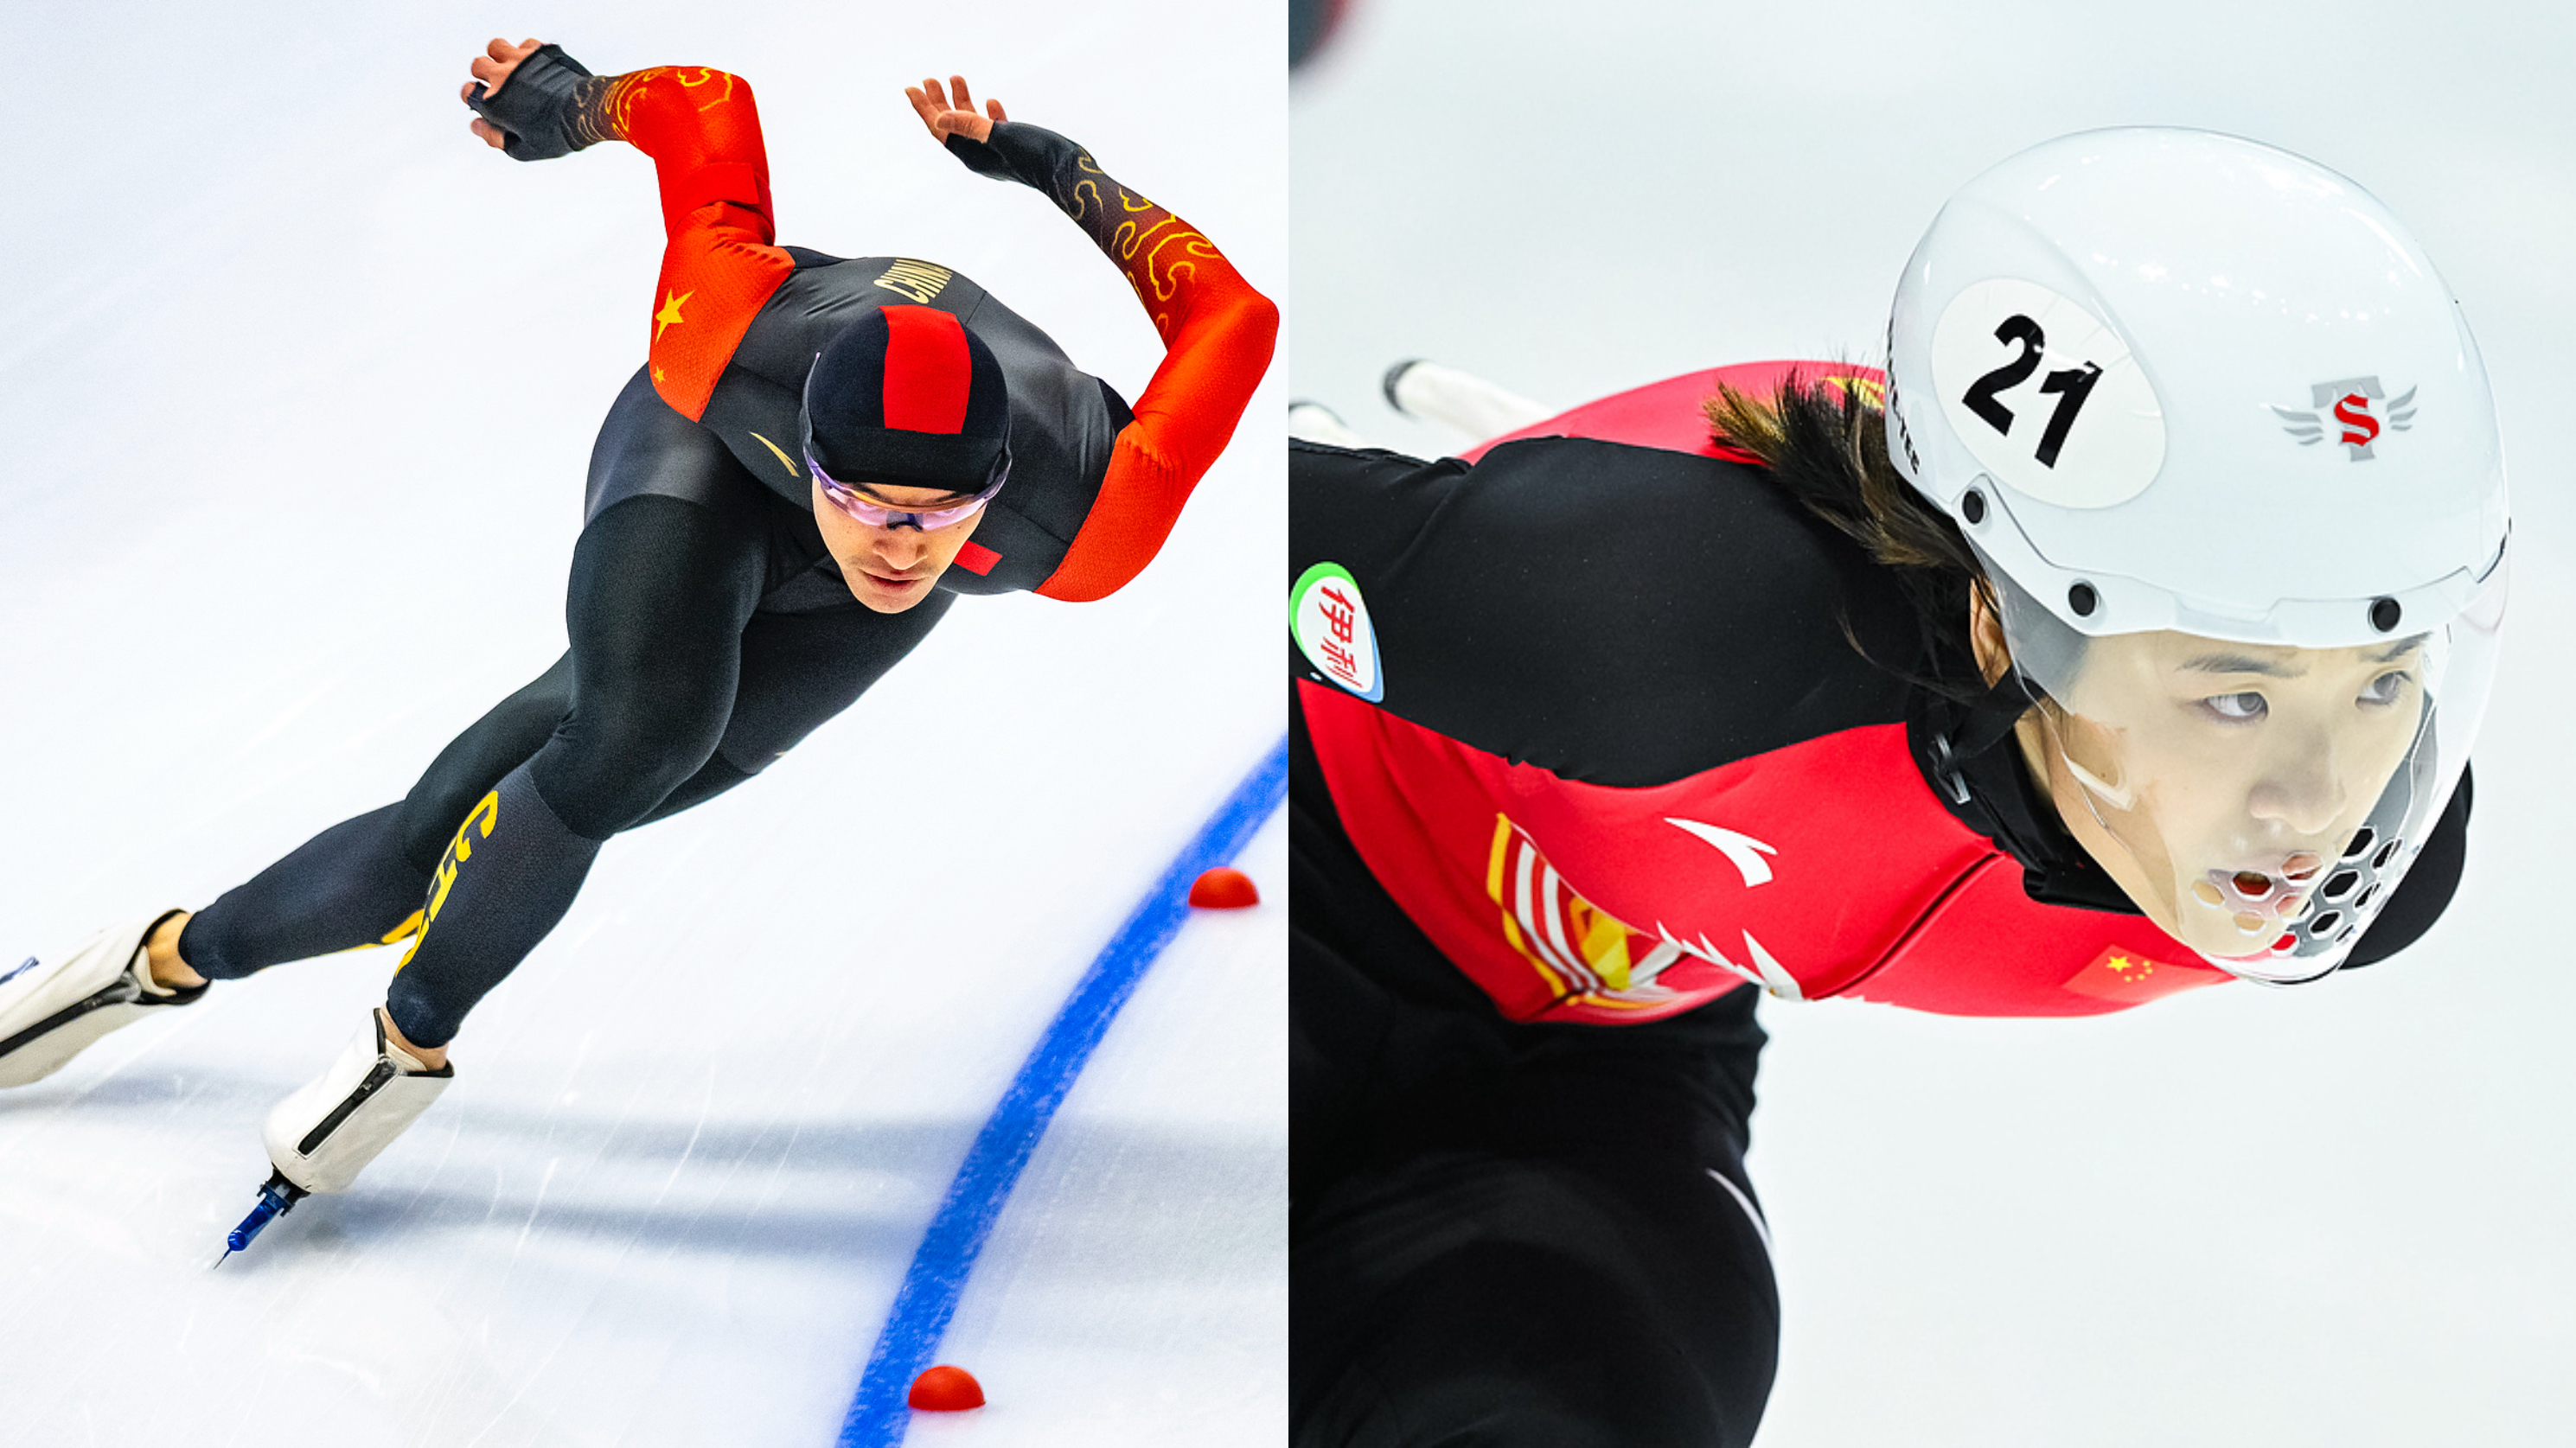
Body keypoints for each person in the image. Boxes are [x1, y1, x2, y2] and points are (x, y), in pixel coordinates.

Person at [1288, 127, 2503, 1446]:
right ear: (2008, 633)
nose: (2311, 806)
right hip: (1294, 895)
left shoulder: (2371, 861)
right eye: (2235, 696)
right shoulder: (1656, 635)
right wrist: (1459, 575)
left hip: (1588, 1078)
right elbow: (1122, 489)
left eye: (2381, 682)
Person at [0, 39, 1275, 1230]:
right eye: (869, 504)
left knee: (517, 815)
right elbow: (702, 105)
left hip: (829, 520)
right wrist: (563, 101)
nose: (901, 545)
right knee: (623, 745)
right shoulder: (723, 336)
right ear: (820, 461)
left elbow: (1233, 317)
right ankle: (333, 1014)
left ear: (999, 487)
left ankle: (203, 965)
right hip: (710, 458)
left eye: (942, 516)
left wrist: (1046, 162)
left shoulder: (1095, 520)